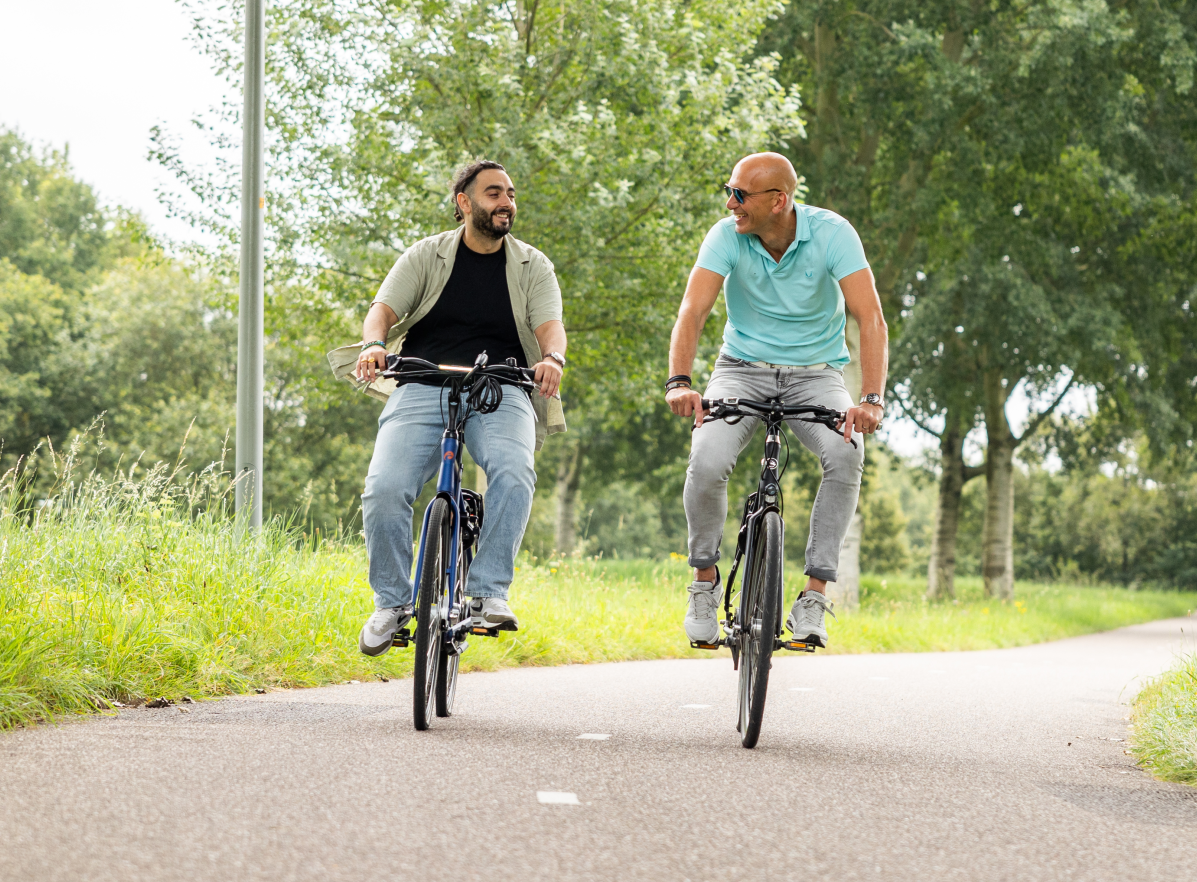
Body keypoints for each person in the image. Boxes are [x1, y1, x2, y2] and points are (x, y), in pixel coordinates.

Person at [665, 152, 888, 648]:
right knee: (707, 459)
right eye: (730, 191)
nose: (731, 203)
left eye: (740, 195)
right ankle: (703, 583)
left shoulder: (832, 234)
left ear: (778, 201)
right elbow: (693, 310)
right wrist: (679, 381)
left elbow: (870, 318)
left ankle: (813, 598)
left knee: (846, 453)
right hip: (740, 371)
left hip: (817, 375)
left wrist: (870, 398)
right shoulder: (727, 235)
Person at [351, 159, 568, 656]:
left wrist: (553, 358)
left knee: (514, 473)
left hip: (502, 385)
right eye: (494, 193)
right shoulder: (425, 255)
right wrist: (372, 344)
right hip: (424, 381)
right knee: (384, 489)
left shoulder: (533, 264)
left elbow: (549, 325)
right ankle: (392, 602)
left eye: (511, 193)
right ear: (464, 202)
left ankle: (487, 591)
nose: (506, 202)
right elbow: (381, 311)